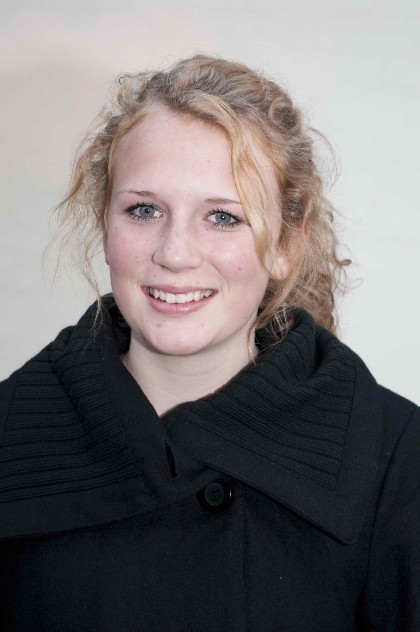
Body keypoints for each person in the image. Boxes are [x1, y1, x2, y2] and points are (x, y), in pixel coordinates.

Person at [0, 54, 418, 632]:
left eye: (222, 217)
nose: (174, 252)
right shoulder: (12, 433)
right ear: (105, 226)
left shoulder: (396, 462)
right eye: (144, 210)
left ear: (285, 247)